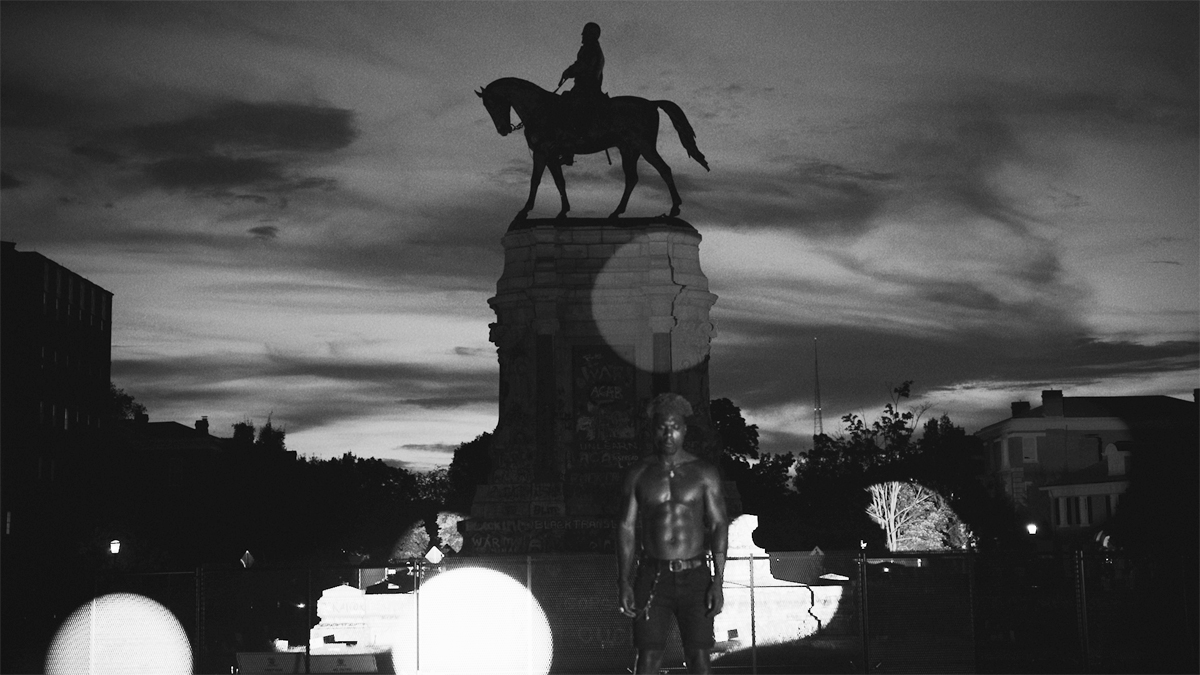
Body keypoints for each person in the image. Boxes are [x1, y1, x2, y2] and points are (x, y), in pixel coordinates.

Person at [617, 393, 729, 674]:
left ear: (684, 429)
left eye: (675, 427)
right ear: (653, 430)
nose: (669, 434)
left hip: (695, 576)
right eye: (662, 427)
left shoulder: (704, 473)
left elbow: (719, 524)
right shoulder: (639, 473)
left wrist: (718, 581)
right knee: (648, 658)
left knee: (699, 657)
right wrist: (624, 581)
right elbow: (627, 527)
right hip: (652, 576)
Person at [557, 22, 606, 165]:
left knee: (566, 107)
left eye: (585, 33)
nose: (582, 36)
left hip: (586, 88)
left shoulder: (591, 48)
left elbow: (583, 65)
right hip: (587, 87)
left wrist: (569, 71)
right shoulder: (593, 48)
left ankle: (569, 148)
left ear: (591, 35)